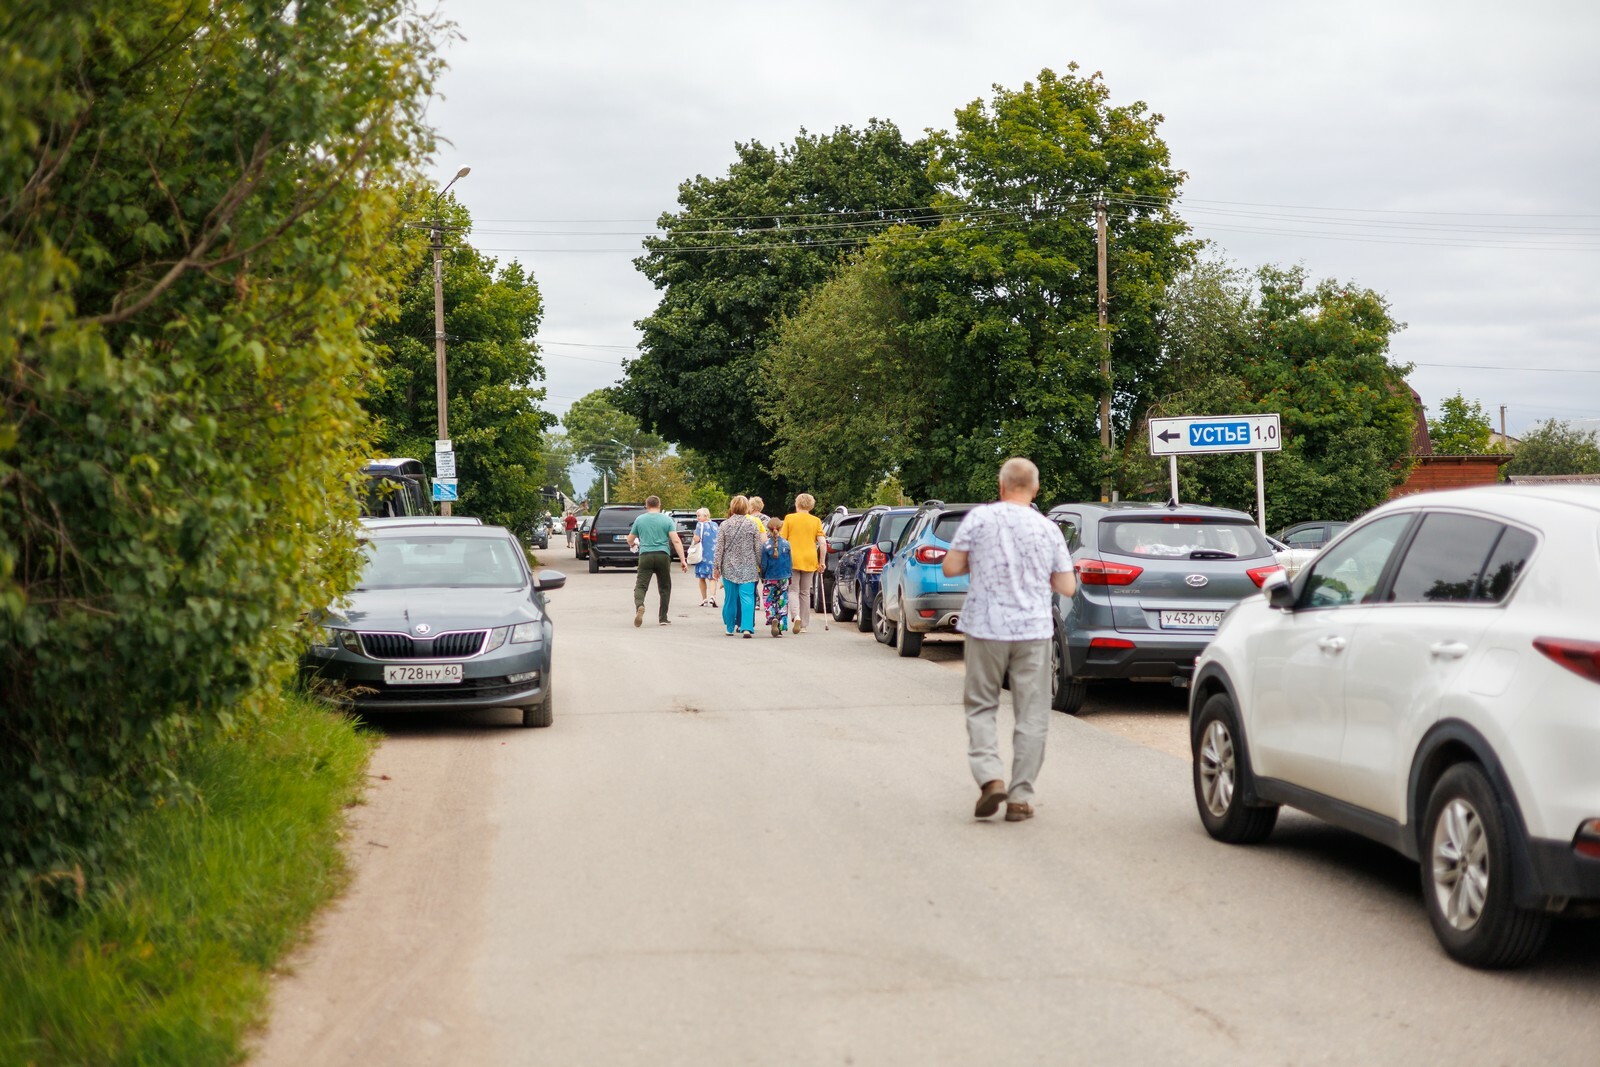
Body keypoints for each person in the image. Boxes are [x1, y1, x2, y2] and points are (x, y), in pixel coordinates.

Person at [941, 458, 1076, 823]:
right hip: (1032, 630)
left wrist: (980, 562)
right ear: (1035, 488)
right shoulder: (1048, 529)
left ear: (1001, 487)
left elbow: (951, 567)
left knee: (982, 705)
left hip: (986, 626)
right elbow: (1067, 586)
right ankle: (1020, 796)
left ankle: (990, 778)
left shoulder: (980, 519)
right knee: (1032, 715)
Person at [626, 495, 687, 627]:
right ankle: (663, 618)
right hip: (663, 555)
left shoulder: (640, 520)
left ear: (646, 506)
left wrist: (632, 544)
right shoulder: (667, 520)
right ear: (659, 505)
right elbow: (676, 540)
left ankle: (640, 606)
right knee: (665, 587)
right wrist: (683, 560)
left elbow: (630, 539)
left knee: (641, 585)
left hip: (645, 555)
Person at [713, 494, 761, 638]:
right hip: (749, 566)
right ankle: (746, 627)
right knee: (747, 597)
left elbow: (719, 548)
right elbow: (757, 547)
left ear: (732, 507)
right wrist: (760, 564)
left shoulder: (724, 525)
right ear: (747, 507)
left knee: (730, 598)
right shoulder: (753, 524)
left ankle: (729, 627)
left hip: (729, 567)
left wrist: (716, 567)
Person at [779, 493, 826, 634]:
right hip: (810, 559)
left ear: (797, 504)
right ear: (811, 505)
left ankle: (796, 616)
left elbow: (783, 540)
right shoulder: (816, 520)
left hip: (792, 558)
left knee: (793, 590)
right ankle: (804, 625)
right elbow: (822, 543)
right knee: (805, 592)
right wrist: (822, 561)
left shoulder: (789, 518)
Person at [759, 518, 793, 637]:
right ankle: (780, 625)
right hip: (783, 576)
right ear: (780, 528)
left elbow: (763, 563)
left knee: (769, 599)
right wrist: (790, 575)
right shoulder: (787, 544)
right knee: (782, 600)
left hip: (770, 577)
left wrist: (762, 575)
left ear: (768, 529)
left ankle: (772, 616)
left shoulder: (766, 545)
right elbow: (789, 562)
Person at [691, 507, 719, 606]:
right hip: (714, 555)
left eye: (699, 515)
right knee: (713, 577)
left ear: (705, 515)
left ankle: (704, 599)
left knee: (702, 578)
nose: (697, 517)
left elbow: (697, 539)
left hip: (702, 555)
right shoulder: (715, 525)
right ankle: (713, 596)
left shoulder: (699, 525)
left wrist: (694, 535)